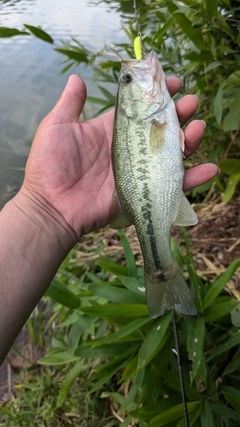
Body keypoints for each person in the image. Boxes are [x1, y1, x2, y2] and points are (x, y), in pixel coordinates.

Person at [0, 74, 219, 365]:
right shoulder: (150, 112)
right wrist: (43, 206)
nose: (131, 77)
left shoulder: (149, 112)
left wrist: (43, 212)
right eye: (127, 79)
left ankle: (162, 277)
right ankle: (160, 271)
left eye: (126, 79)